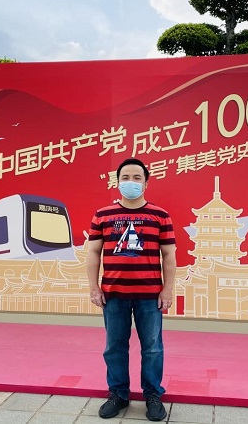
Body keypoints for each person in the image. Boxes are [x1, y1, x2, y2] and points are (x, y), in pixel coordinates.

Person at [87, 157, 176, 422]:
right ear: (117, 182)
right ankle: (118, 394)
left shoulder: (160, 216)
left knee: (152, 347)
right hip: (113, 294)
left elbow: (169, 256)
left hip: (150, 296)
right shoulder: (102, 215)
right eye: (125, 177)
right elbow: (93, 253)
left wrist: (168, 290)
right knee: (114, 346)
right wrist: (94, 288)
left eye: (137, 178)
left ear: (146, 183)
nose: (131, 182)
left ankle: (153, 395)